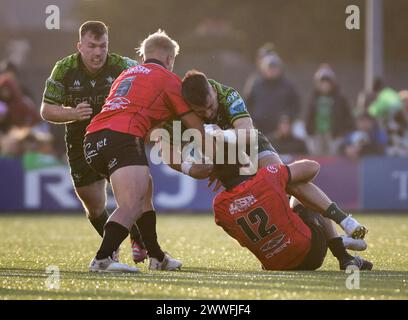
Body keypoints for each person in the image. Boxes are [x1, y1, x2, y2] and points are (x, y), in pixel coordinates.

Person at [174, 70, 367, 240]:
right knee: (266, 208)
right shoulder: (182, 110)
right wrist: (198, 164)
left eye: (210, 105)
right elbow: (170, 146)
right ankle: (336, 240)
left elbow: (248, 135)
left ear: (213, 91)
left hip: (251, 146)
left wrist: (219, 133)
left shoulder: (228, 95)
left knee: (287, 183)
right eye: (202, 111)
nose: (208, 113)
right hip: (228, 160)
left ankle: (342, 227)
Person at [83, 30, 206, 272]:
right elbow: (193, 123)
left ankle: (157, 256)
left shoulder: (126, 75)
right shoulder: (168, 79)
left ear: (143, 57)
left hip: (93, 140)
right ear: (170, 59)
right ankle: (103, 259)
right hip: (122, 137)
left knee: (144, 191)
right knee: (131, 204)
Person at [40, 21, 156, 265]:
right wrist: (72, 113)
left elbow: (149, 82)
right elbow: (46, 110)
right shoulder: (64, 68)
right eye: (92, 46)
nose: (98, 52)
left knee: (133, 194)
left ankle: (127, 249)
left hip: (119, 137)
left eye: (102, 46)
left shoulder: (123, 65)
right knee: (94, 206)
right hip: (81, 140)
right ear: (79, 46)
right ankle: (124, 239)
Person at [212, 160, 372, 271]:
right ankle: (342, 252)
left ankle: (341, 243)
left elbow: (242, 242)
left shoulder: (219, 206)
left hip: (276, 265)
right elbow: (313, 167)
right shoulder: (265, 176)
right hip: (311, 253)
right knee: (299, 187)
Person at [245, 53, 300, 136]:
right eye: (269, 68)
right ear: (263, 69)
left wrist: (288, 119)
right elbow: (247, 105)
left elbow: (296, 106)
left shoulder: (288, 86)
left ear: (280, 69)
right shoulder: (255, 85)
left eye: (275, 68)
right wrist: (251, 122)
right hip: (258, 129)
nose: (272, 70)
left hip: (280, 132)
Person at [305, 64, 354, 155]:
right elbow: (309, 116)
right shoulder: (314, 98)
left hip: (333, 134)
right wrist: (310, 131)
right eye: (322, 82)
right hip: (318, 133)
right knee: (318, 157)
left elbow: (348, 116)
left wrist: (342, 133)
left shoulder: (340, 98)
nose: (325, 85)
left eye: (327, 82)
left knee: (333, 157)